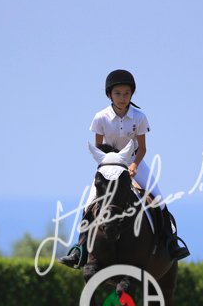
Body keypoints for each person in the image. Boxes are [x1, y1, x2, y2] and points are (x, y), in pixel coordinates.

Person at [59, 69, 190, 268]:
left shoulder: (139, 117)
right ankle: (80, 249)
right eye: (118, 93)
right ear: (109, 95)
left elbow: (142, 148)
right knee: (88, 204)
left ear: (132, 94)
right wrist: (110, 168)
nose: (122, 98)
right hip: (109, 166)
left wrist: (134, 165)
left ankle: (170, 243)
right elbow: (99, 149)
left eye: (127, 93)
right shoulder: (100, 117)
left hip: (134, 162)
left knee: (159, 200)